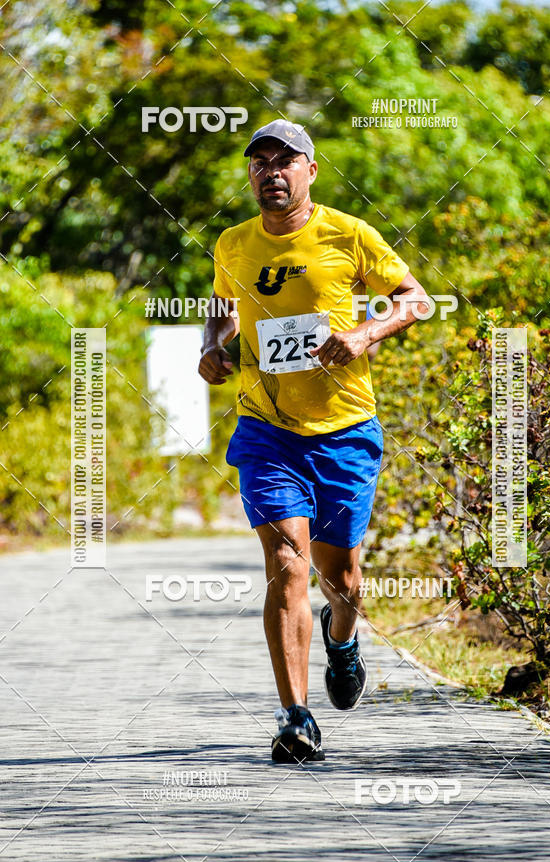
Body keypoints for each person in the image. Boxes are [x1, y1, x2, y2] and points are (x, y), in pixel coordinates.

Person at [198, 119, 429, 763]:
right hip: (266, 430)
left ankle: (343, 636)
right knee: (285, 566)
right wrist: (212, 350)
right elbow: (221, 309)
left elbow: (415, 298)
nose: (271, 172)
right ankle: (295, 717)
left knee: (344, 580)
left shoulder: (348, 234)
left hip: (344, 429)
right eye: (259, 162)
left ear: (310, 170)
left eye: (285, 161)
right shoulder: (232, 243)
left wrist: (362, 334)